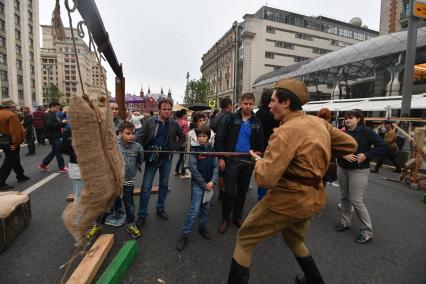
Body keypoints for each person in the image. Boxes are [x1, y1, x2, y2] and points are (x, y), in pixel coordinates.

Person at [226, 79, 358, 284]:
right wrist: (319, 149)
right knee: (294, 239)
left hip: (288, 199)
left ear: (285, 102)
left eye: (272, 100)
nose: (269, 105)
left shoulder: (284, 132)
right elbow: (351, 144)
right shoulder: (319, 123)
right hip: (313, 197)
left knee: (244, 239)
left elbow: (266, 179)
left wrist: (259, 161)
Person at [335, 110, 387, 244]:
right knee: (344, 197)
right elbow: (333, 146)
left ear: (358, 119)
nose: (347, 120)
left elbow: (382, 146)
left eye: (350, 118)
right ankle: (345, 223)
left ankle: (367, 232)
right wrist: (342, 154)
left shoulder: (366, 131)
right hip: (342, 168)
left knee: (356, 201)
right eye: (346, 118)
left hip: (359, 171)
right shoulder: (342, 131)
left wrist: (366, 155)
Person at [217, 93, 264, 234]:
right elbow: (221, 138)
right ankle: (225, 219)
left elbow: (261, 143)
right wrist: (221, 158)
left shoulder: (257, 122)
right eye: (245, 103)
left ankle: (237, 217)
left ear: (254, 105)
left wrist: (258, 157)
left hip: (248, 161)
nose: (248, 106)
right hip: (232, 160)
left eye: (250, 104)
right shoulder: (230, 119)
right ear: (241, 103)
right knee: (229, 192)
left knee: (242, 192)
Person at [136, 99, 185, 228]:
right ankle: (142, 215)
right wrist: (141, 153)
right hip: (152, 159)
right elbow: (140, 137)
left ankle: (160, 208)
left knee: (163, 185)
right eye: (164, 109)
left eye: (169, 109)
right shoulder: (149, 121)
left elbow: (183, 138)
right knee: (146, 187)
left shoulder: (174, 124)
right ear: (159, 109)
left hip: (166, 159)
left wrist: (174, 147)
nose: (167, 111)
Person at [176, 125, 218, 251]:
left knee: (206, 207)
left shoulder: (212, 149)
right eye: (199, 136)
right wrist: (204, 184)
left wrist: (212, 182)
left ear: (208, 137)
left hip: (210, 184)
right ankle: (185, 234)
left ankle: (202, 227)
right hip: (199, 185)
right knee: (195, 209)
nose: (201, 138)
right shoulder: (193, 150)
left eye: (204, 136)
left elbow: (216, 167)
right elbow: (193, 169)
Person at [117, 122, 144, 238]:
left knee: (129, 203)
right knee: (108, 203)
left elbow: (140, 159)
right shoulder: (114, 145)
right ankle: (98, 224)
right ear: (120, 134)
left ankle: (131, 224)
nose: (131, 136)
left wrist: (133, 169)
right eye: (127, 133)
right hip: (115, 181)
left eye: (133, 133)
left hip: (129, 181)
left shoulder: (137, 147)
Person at [255, 89, 279, 201]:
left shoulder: (258, 113)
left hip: (261, 147)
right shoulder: (275, 113)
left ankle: (261, 198)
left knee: (263, 173)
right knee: (274, 172)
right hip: (274, 147)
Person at [0, 99, 29, 190]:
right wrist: (16, 144)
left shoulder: (1, 113)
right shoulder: (11, 115)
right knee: (9, 161)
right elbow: (15, 132)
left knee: (15, 159)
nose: (16, 107)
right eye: (14, 106)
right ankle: (1, 182)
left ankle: (20, 175)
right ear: (11, 106)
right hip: (11, 141)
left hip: (3, 140)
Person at [210, 98, 233, 201]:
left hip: (216, 147)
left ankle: (220, 193)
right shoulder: (229, 117)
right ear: (229, 106)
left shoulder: (217, 116)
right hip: (225, 148)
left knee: (220, 172)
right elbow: (223, 135)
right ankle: (226, 193)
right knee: (225, 172)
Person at [39, 101, 67, 173]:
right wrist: (61, 123)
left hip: (55, 135)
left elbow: (56, 124)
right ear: (52, 107)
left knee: (55, 151)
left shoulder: (53, 114)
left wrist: (62, 123)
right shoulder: (48, 114)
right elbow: (49, 125)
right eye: (57, 108)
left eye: (58, 108)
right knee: (59, 151)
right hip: (53, 135)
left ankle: (44, 164)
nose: (58, 110)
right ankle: (62, 167)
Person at [60, 127, 82, 203]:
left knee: (78, 192)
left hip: (76, 164)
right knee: (80, 193)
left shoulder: (70, 129)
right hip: (87, 165)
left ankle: (78, 211)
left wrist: (72, 153)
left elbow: (63, 148)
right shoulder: (92, 127)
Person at [318, 108, 338, 186]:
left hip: (314, 158)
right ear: (329, 117)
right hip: (327, 158)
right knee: (322, 183)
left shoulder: (314, 126)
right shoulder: (331, 129)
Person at [174, 109, 189, 176]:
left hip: (177, 141)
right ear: (183, 114)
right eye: (186, 113)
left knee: (181, 157)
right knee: (183, 157)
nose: (187, 114)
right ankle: (183, 172)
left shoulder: (177, 122)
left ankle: (177, 170)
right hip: (183, 142)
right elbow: (184, 134)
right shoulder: (184, 123)